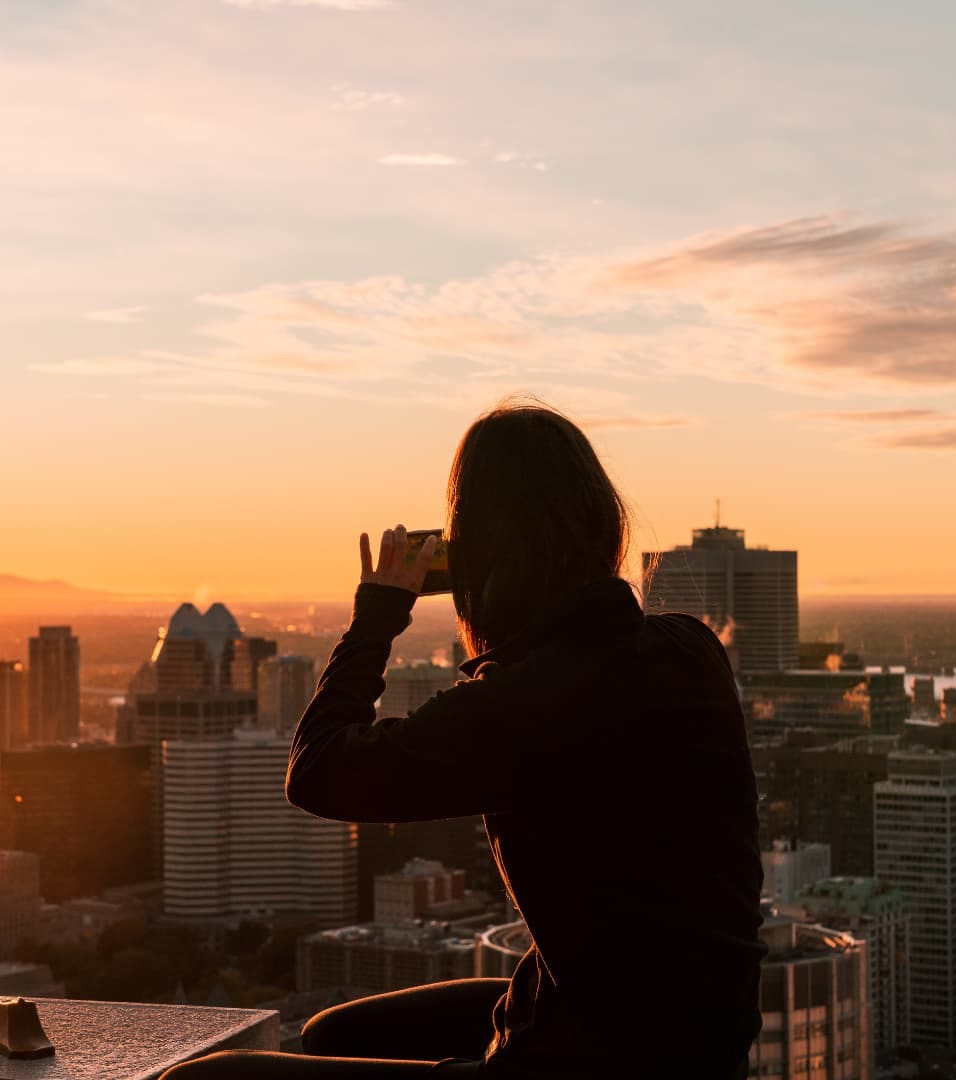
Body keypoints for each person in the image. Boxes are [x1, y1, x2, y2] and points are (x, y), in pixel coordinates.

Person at [161, 401, 765, 1080]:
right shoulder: (690, 648)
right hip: (697, 1038)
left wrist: (377, 613)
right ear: (604, 522)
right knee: (337, 1029)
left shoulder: (525, 702)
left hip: (598, 1061)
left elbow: (317, 770)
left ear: (480, 550)